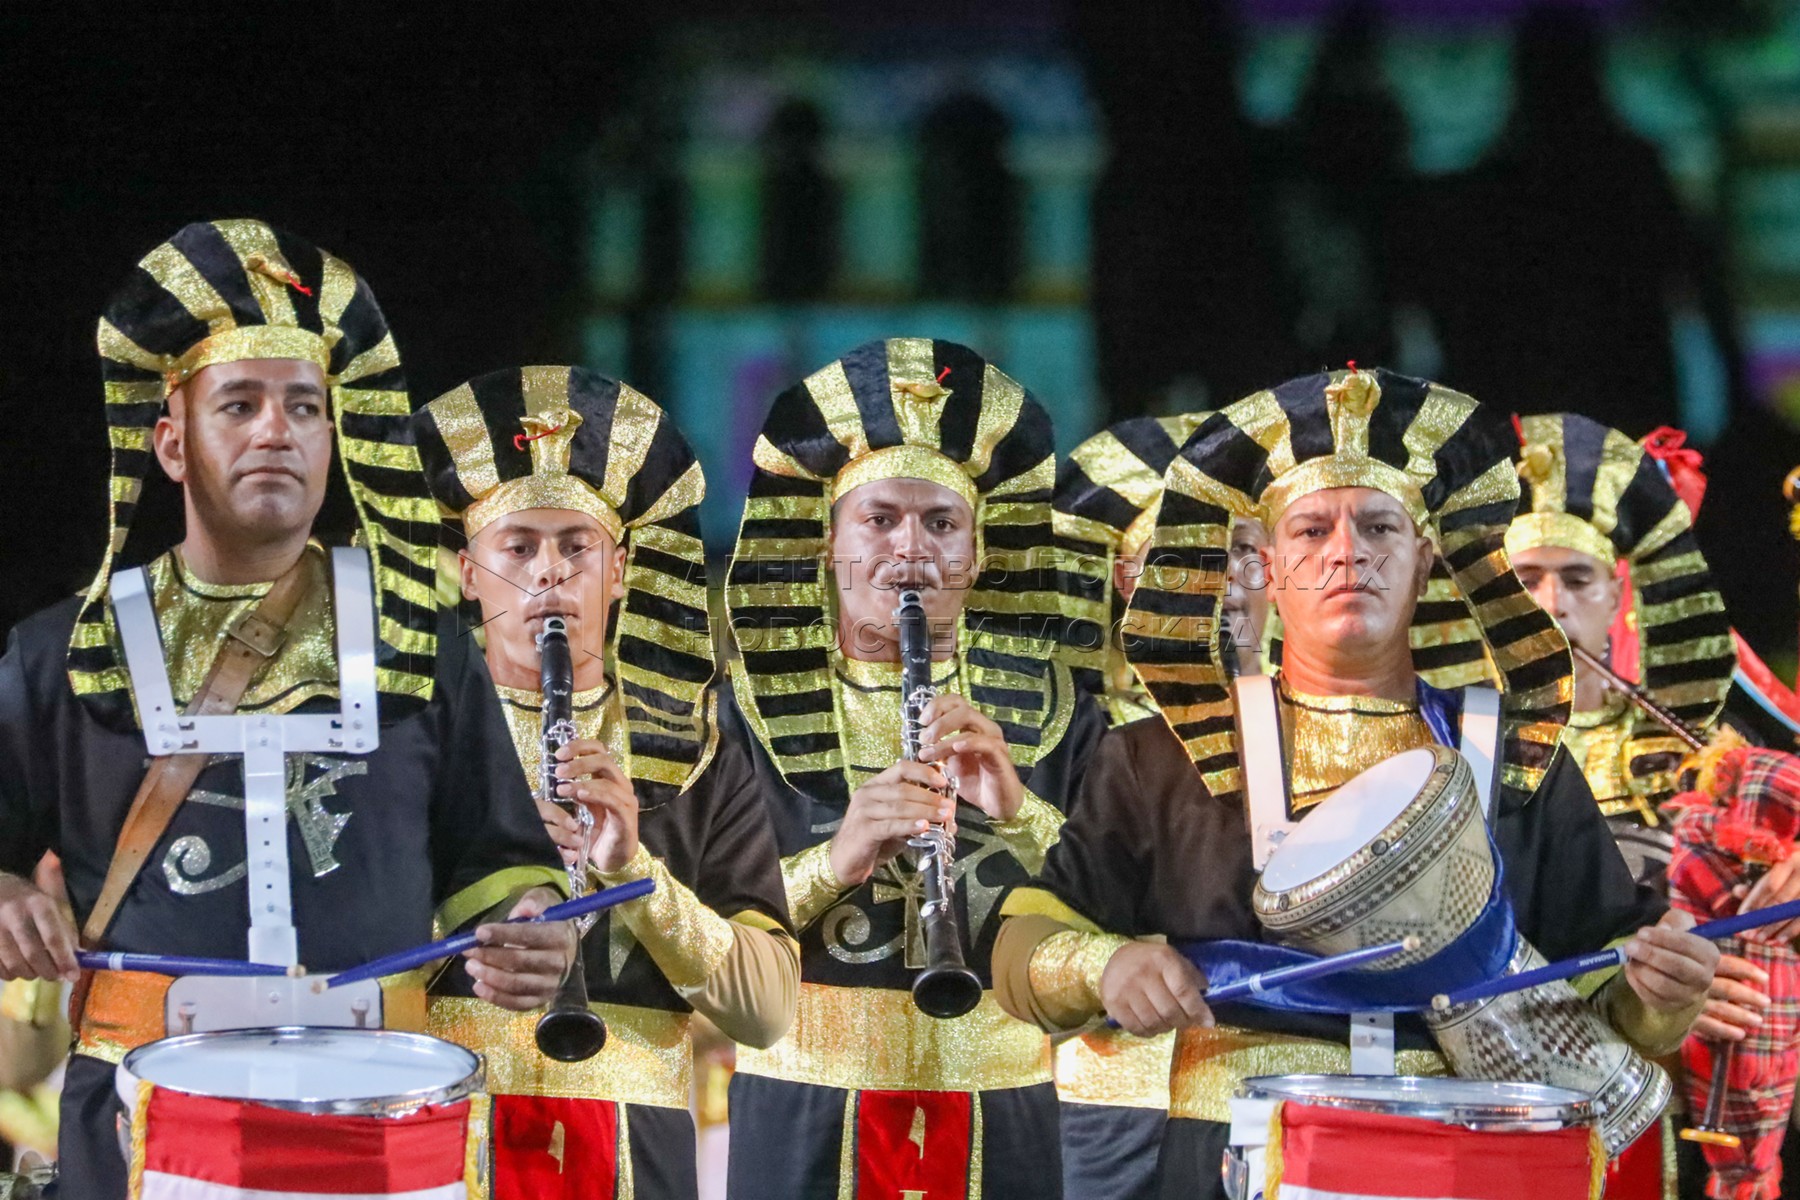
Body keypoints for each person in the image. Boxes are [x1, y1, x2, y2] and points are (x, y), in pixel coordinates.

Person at [993, 366, 1720, 1199]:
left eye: (1379, 526)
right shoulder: (1161, 757)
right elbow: (1024, 940)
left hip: (1465, 1159)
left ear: (1425, 561)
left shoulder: (1519, 755)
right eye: (1312, 530)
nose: (1348, 552)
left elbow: (1609, 973)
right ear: (1268, 565)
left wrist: (1661, 993)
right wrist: (1104, 965)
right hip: (1231, 1160)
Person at [0, 220, 570, 1198]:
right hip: (144, 1125)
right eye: (240, 404)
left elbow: (499, 857)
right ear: (171, 444)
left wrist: (534, 924)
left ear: (334, 439)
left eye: (305, 407)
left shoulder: (422, 644)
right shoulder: (65, 653)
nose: (277, 431)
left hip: (384, 1124)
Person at [720, 338, 1104, 1199]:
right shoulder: (739, 714)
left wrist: (1019, 810)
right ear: (827, 542)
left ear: (979, 552)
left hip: (1002, 1100)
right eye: (880, 519)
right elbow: (693, 942)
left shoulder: (1061, 714)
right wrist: (837, 860)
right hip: (799, 1108)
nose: (911, 550)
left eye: (941, 524)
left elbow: (1122, 920)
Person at [411, 365, 798, 1198]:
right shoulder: (412, 743)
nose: (549, 574)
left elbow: (768, 1013)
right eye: (519, 548)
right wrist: (484, 901)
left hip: (636, 1156)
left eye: (576, 547)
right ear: (468, 573)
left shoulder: (695, 754)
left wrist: (631, 871)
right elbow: (346, 949)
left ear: (619, 571)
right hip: (438, 1142)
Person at [1050, 412, 1268, 1200]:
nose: (1220, 580)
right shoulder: (1064, 732)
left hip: (1277, 1090)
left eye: (1241, 551)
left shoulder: (1326, 725)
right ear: (1126, 582)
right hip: (1108, 1101)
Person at [1506, 411, 1736, 885]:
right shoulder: (1454, 747)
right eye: (1526, 583)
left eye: (1577, 580)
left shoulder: (1702, 752)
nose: (1552, 604)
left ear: (1615, 597)